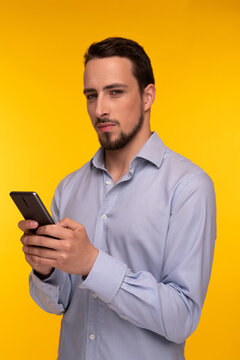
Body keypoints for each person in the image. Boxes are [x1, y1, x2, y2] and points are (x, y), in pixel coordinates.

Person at [19, 37, 216, 360]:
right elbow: (57, 304)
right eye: (91, 96)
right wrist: (45, 271)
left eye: (115, 92)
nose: (101, 109)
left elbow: (181, 317)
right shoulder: (69, 188)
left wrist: (93, 264)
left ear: (147, 96)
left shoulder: (189, 186)